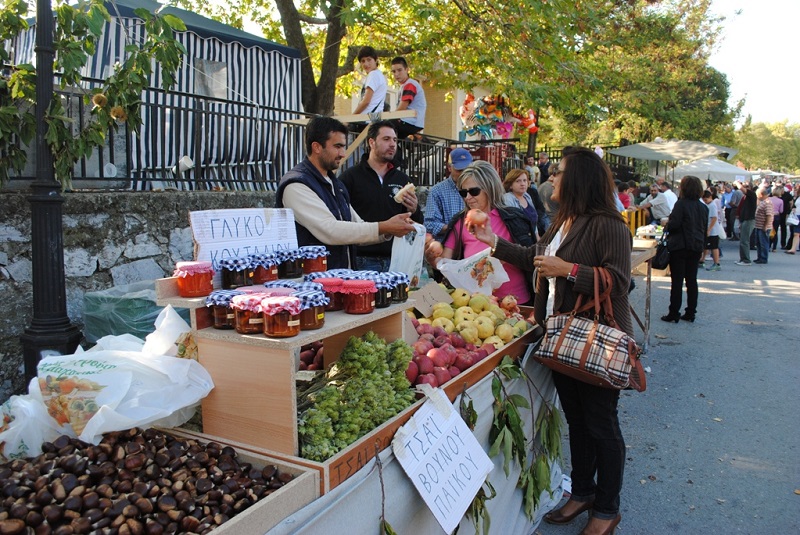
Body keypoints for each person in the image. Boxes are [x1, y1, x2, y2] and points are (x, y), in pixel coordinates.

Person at [471, 147, 631, 534]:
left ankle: (607, 508)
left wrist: (571, 270)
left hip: (594, 339)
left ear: (578, 180)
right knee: (577, 420)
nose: (553, 178)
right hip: (560, 337)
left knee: (602, 424)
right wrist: (491, 240)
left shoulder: (608, 224)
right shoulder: (564, 220)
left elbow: (619, 281)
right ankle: (582, 492)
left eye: (560, 172)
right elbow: (535, 257)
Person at [275, 116, 415, 270]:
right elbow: (330, 230)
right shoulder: (296, 184)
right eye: (337, 146)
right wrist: (384, 227)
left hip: (340, 279)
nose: (343, 153)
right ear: (316, 147)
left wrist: (389, 229)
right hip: (312, 285)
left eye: (343, 146)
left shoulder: (336, 184)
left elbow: (357, 226)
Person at [426, 160, 535, 304]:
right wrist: (431, 257)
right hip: (476, 304)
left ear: (489, 188)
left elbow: (530, 257)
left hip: (516, 300)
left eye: (474, 191)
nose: (468, 197)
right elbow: (446, 264)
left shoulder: (513, 218)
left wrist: (496, 248)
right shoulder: (460, 222)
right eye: (463, 192)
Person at [339, 121, 424, 272]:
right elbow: (341, 219)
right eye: (386, 139)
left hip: (396, 260)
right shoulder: (350, 177)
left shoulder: (402, 179)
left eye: (395, 140)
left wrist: (415, 209)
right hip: (362, 261)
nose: (392, 144)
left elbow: (415, 223)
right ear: (371, 142)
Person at [661, 175, 708, 323]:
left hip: (680, 245)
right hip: (695, 245)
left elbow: (674, 225)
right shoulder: (703, 207)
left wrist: (667, 223)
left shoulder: (681, 204)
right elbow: (703, 228)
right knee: (691, 280)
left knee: (677, 281)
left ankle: (674, 311)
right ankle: (690, 312)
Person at [423, 147, 473, 242]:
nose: (464, 174)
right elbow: (429, 224)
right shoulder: (437, 191)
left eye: (467, 170)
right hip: (447, 246)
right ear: (449, 167)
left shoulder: (477, 188)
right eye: (459, 170)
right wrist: (455, 229)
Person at [389, 57, 426, 139]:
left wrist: (388, 117)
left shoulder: (410, 85)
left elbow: (402, 107)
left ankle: (417, 140)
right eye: (394, 71)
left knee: (383, 127)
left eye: (399, 70)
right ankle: (410, 142)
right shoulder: (404, 86)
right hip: (411, 122)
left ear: (407, 70)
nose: (396, 74)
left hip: (411, 122)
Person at [352, 46, 387, 117]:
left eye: (369, 59)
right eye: (363, 61)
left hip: (367, 119)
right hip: (374, 118)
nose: (366, 64)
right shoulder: (379, 75)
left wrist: (352, 116)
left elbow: (366, 101)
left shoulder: (373, 75)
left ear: (376, 60)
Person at [734, 182, 757, 266]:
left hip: (749, 220)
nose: (744, 188)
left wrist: (737, 183)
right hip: (744, 219)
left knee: (745, 240)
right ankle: (743, 258)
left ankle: (746, 260)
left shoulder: (752, 194)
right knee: (742, 240)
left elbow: (742, 189)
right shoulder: (745, 197)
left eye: (746, 186)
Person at [753, 186, 774, 264]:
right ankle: (760, 257)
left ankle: (764, 258)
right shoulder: (763, 202)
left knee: (763, 243)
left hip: (763, 226)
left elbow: (769, 215)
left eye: (757, 195)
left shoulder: (768, 203)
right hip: (759, 225)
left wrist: (765, 226)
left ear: (761, 194)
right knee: (758, 243)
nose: (757, 196)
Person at [702, 190, 722, 271]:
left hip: (712, 230)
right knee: (706, 245)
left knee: (714, 246)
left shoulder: (712, 205)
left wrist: (709, 229)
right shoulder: (709, 205)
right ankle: (702, 260)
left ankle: (716, 263)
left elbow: (714, 218)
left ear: (710, 197)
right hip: (709, 229)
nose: (705, 201)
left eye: (706, 200)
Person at [768, 187, 784, 252]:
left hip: (769, 215)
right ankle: (774, 247)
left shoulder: (768, 199)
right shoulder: (781, 201)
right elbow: (781, 211)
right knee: (775, 232)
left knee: (768, 231)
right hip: (776, 216)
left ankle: (768, 245)